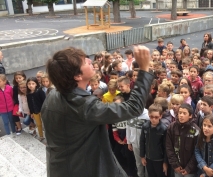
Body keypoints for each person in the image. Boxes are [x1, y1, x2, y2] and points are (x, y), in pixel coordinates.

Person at [41, 46, 154, 177]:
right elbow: (134, 108)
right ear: (77, 76)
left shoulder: (52, 95)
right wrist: (144, 70)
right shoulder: (84, 105)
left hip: (59, 168)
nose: (89, 61)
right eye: (84, 61)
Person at [166, 104, 199, 177]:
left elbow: (197, 151)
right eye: (180, 113)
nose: (181, 115)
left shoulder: (196, 130)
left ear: (190, 116)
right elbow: (169, 147)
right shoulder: (171, 127)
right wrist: (175, 164)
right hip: (177, 168)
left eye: (184, 113)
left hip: (190, 170)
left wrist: (188, 168)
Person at [140, 104, 168, 177]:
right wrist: (142, 156)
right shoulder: (145, 126)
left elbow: (166, 147)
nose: (153, 119)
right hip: (149, 158)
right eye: (151, 117)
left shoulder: (164, 129)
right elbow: (142, 141)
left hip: (159, 159)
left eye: (156, 117)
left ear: (161, 116)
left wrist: (165, 162)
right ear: (148, 115)